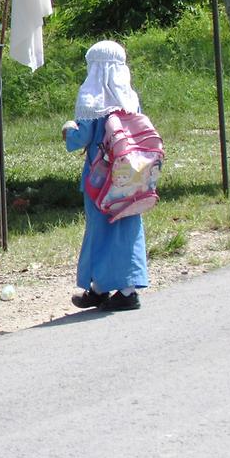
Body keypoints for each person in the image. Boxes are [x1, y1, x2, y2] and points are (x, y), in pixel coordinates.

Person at [63, 40, 148, 311]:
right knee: (128, 227)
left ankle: (106, 287)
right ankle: (123, 287)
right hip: (131, 175)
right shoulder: (130, 100)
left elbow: (81, 138)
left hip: (100, 180)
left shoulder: (92, 101)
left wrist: (68, 130)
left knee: (100, 229)